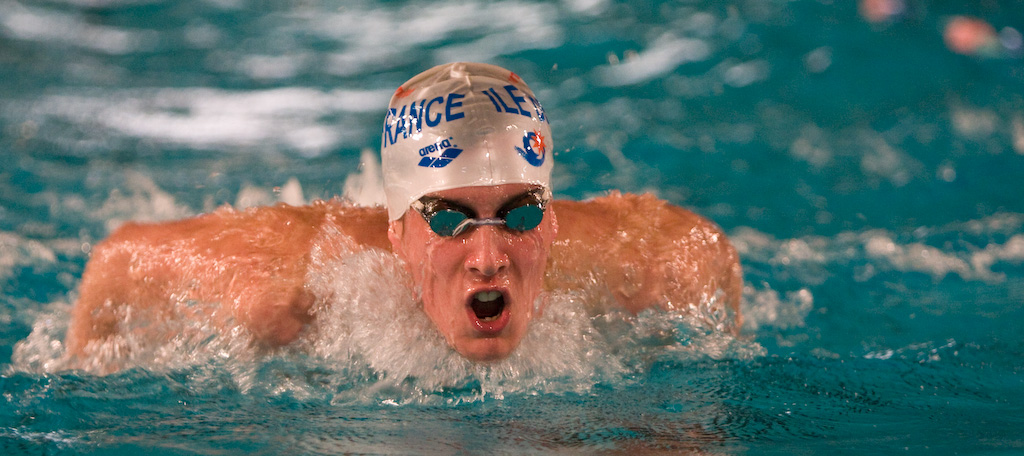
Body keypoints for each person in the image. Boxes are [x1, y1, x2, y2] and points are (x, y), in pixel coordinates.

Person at [66, 62, 743, 364]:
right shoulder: (286, 287)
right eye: (448, 220)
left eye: (519, 215)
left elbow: (704, 248)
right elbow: (118, 260)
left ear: (553, 221)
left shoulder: (648, 268)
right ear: (398, 232)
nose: (488, 258)